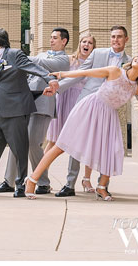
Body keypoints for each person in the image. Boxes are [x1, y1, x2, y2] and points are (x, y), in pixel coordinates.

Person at [24, 53, 138, 201]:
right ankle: (32, 180)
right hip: (91, 108)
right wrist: (61, 75)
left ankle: (101, 187)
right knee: (61, 146)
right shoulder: (115, 71)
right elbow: (86, 72)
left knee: (112, 151)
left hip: (109, 116)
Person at [52, 26, 138, 198]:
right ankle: (69, 184)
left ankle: (103, 185)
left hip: (108, 109)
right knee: (75, 142)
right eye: (113, 36)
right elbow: (80, 73)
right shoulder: (97, 53)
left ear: (126, 39)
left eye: (119, 37)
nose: (115, 40)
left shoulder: (132, 62)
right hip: (88, 103)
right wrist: (58, 87)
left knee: (106, 147)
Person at [0, 28, 59, 198]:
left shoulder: (14, 54)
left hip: (16, 110)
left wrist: (50, 79)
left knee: (19, 149)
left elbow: (33, 67)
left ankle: (20, 185)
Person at [0, 27, 70, 196]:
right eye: (51, 37)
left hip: (43, 103)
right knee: (16, 140)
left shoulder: (64, 60)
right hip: (25, 100)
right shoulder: (42, 54)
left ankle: (43, 182)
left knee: (34, 143)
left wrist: (11, 55)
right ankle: (9, 181)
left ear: (64, 41)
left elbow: (38, 63)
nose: (51, 40)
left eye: (55, 38)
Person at [44, 34, 96, 193]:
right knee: (54, 141)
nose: (86, 44)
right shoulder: (69, 60)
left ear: (93, 47)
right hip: (64, 100)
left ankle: (85, 179)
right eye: (84, 41)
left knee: (83, 143)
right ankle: (41, 177)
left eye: (90, 43)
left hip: (81, 103)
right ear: (79, 44)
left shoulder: (94, 64)